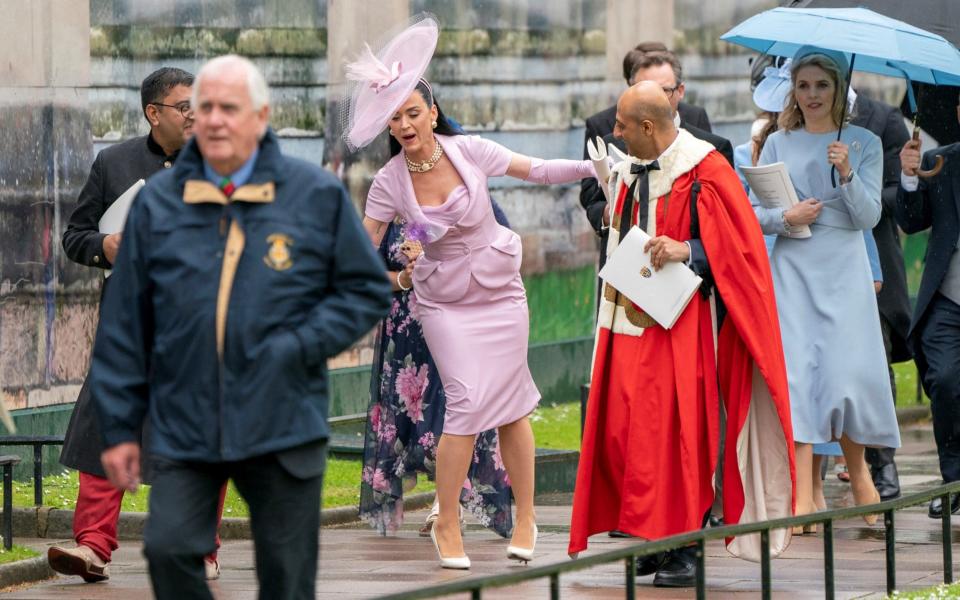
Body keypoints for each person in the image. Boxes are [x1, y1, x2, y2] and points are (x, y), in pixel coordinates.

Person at [90, 55, 391, 600]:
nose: (215, 119)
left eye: (230, 108)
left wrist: (300, 345)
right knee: (167, 549)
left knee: (285, 577)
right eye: (204, 108)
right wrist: (118, 427)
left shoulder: (311, 195)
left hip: (282, 421)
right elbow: (124, 322)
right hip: (186, 424)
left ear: (260, 116)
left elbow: (364, 288)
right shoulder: (160, 203)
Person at [342, 16, 596, 570]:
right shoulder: (388, 182)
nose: (406, 125)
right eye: (396, 118)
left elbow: (539, 170)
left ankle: (525, 516)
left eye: (414, 113)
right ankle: (448, 519)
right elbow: (362, 252)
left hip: (501, 292)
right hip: (443, 302)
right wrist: (400, 274)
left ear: (432, 113)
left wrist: (592, 165)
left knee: (514, 407)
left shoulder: (469, 151)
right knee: (462, 403)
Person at [569, 81, 795, 588]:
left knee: (675, 432)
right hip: (623, 317)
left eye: (624, 125)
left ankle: (687, 542)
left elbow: (740, 251)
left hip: (682, 324)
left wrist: (688, 248)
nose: (615, 131)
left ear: (649, 127)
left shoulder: (707, 169)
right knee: (626, 430)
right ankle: (653, 534)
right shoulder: (629, 167)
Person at [53, 67, 225, 583]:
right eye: (184, 107)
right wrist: (104, 246)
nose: (196, 115)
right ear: (154, 113)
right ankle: (93, 547)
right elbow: (75, 235)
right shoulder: (114, 162)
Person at [749, 46, 901, 530]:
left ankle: (860, 474)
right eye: (803, 85)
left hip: (844, 264)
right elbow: (754, 214)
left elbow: (869, 216)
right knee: (799, 377)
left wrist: (847, 173)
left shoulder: (863, 142)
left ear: (839, 89)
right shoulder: (777, 141)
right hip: (794, 263)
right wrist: (785, 217)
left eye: (822, 85)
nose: (812, 95)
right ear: (792, 91)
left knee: (844, 374)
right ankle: (802, 494)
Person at [360, 210, 513, 538]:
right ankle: (446, 500)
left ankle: (447, 504)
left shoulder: (470, 200)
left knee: (451, 412)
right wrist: (405, 278)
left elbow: (502, 258)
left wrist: (447, 268)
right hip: (406, 334)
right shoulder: (389, 210)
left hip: (457, 321)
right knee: (416, 424)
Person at [580, 50, 734, 285]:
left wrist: (688, 249)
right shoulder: (614, 143)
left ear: (679, 91)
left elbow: (731, 235)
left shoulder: (708, 155)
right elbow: (591, 198)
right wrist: (609, 214)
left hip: (684, 287)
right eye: (642, 89)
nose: (651, 99)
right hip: (624, 281)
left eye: (662, 90)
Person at [897, 90, 960, 518]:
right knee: (944, 380)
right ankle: (953, 480)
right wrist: (909, 176)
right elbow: (911, 218)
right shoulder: (942, 160)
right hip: (947, 298)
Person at [853, 93, 912, 502]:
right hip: (812, 256)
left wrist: (854, 187)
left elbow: (897, 199)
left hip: (871, 260)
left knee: (874, 362)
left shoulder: (883, 119)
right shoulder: (792, 113)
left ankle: (882, 461)